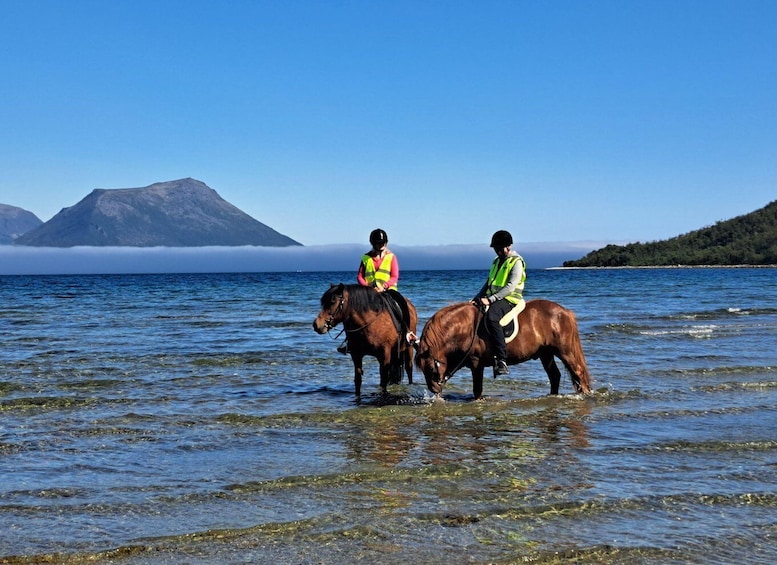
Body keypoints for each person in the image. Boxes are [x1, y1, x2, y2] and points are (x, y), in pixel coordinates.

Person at [337, 228, 401, 354]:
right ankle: (350, 341)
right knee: (351, 311)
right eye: (378, 243)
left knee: (400, 306)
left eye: (383, 243)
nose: (381, 245)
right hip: (368, 292)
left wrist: (384, 286)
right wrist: (367, 288)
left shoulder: (391, 257)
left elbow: (395, 276)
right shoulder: (366, 258)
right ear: (373, 243)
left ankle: (407, 333)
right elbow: (360, 276)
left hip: (388, 291)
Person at [471, 230, 526, 376]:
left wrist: (490, 299)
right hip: (495, 297)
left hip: (510, 299)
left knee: (492, 318)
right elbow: (489, 283)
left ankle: (501, 359)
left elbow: (511, 286)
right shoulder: (496, 261)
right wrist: (476, 298)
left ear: (508, 246)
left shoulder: (516, 262)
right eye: (495, 248)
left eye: (498, 248)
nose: (496, 251)